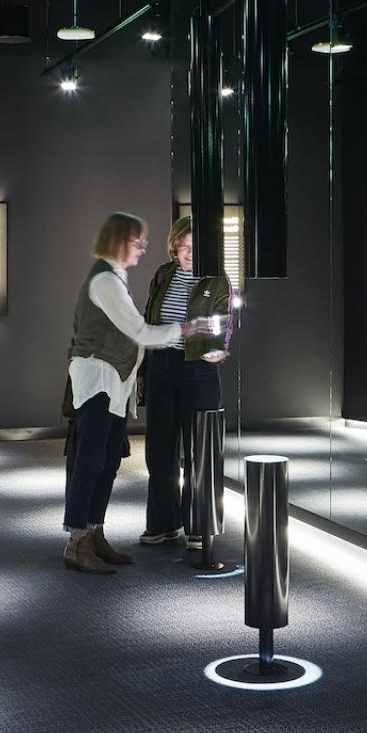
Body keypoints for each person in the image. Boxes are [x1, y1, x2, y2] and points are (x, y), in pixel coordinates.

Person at [62, 213, 203, 574]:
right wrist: (186, 329)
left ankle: (94, 533)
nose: (142, 250)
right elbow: (140, 331)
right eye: (137, 242)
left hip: (114, 384)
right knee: (91, 462)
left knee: (107, 462)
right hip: (98, 382)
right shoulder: (106, 281)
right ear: (119, 241)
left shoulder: (115, 277)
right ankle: (77, 541)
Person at [137, 216, 232, 547]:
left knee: (201, 449)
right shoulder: (162, 274)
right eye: (185, 246)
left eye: (197, 247)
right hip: (161, 365)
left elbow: (223, 320)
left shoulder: (216, 278)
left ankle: (199, 525)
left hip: (199, 369)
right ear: (174, 245)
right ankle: (163, 523)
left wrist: (221, 348)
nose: (190, 253)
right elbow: (150, 319)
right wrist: (143, 369)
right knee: (159, 450)